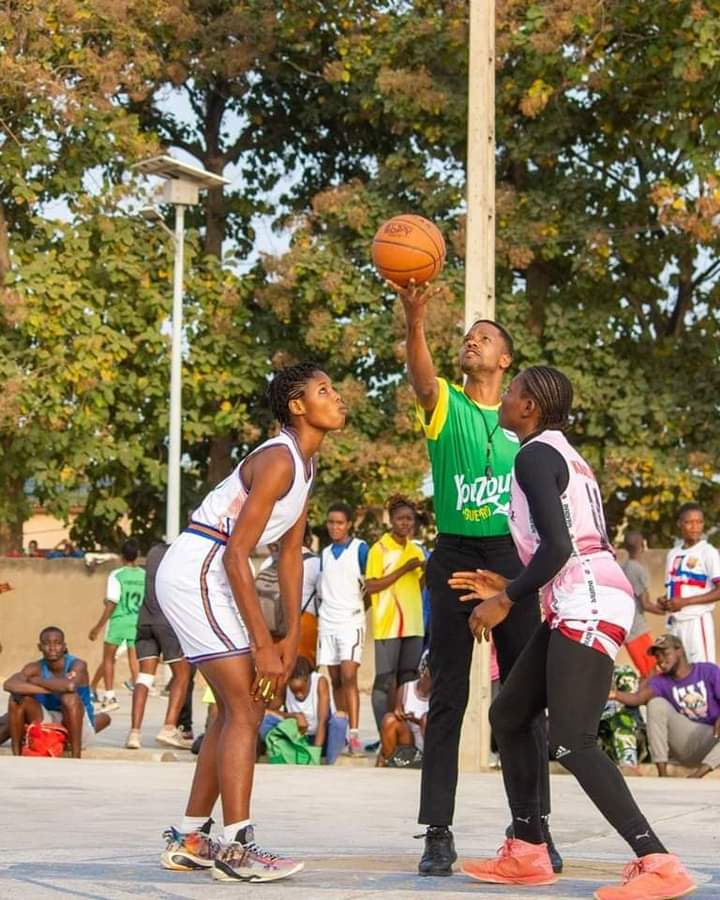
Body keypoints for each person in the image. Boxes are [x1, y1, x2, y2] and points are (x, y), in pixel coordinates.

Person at [449, 366, 695, 899]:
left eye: (512, 392)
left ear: (530, 407)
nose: (504, 398)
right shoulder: (563, 454)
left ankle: (658, 861)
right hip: (580, 595)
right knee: (509, 714)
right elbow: (566, 545)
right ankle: (528, 850)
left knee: (572, 739)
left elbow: (560, 548)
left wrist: (505, 599)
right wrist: (512, 584)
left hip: (587, 599)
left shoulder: (534, 455)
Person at [156, 362, 346, 883]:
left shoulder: (305, 465)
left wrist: (289, 636)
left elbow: (290, 555)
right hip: (199, 569)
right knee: (245, 705)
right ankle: (236, 849)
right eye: (324, 390)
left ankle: (192, 838)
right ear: (297, 406)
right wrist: (262, 645)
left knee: (236, 707)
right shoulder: (279, 459)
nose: (337, 397)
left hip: (212, 571)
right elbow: (236, 553)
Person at [394, 280, 557, 876]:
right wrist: (415, 319)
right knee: (448, 698)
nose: (472, 340)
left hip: (511, 559)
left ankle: (533, 830)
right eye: (468, 336)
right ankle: (437, 831)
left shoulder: (523, 423)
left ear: (505, 359)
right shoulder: (447, 405)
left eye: (484, 338)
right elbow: (421, 377)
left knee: (523, 701)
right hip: (455, 554)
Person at [612, 633, 720, 780]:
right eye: (657, 656)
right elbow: (637, 698)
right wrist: (613, 694)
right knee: (656, 704)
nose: (661, 659)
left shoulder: (707, 671)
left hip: (713, 739)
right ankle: (662, 774)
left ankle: (697, 775)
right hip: (684, 741)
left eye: (665, 653)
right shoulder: (661, 681)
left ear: (679, 650)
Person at [365, 495, 425, 736]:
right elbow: (371, 586)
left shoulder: (416, 550)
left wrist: (425, 572)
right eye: (400, 518)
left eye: (409, 519)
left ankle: (405, 736)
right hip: (388, 625)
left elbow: (418, 586)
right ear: (391, 520)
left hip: (414, 624)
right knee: (385, 681)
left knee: (408, 680)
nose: (405, 523)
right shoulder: (378, 549)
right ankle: (385, 736)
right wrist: (404, 569)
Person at [4, 626, 110, 758]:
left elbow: (70, 686)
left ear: (64, 647)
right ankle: (17, 754)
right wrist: (53, 688)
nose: (52, 648)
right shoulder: (34, 667)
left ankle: (75, 755)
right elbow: (10, 684)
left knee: (69, 697)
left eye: (57, 643)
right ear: (40, 647)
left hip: (76, 726)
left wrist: (37, 681)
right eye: (47, 644)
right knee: (16, 698)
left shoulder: (77, 665)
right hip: (49, 723)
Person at [126, 542, 193, 750]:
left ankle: (134, 733)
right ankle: (169, 727)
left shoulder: (153, 554)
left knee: (144, 678)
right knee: (183, 674)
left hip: (145, 620)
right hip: (167, 622)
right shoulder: (177, 561)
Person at [316, 501, 368, 755]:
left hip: (351, 620)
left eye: (339, 523)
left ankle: (355, 734)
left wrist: (359, 610)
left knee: (349, 675)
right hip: (328, 622)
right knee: (335, 678)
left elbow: (370, 584)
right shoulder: (324, 554)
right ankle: (342, 729)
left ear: (349, 525)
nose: (334, 527)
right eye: (331, 522)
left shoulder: (360, 549)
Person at [88, 539, 145, 712]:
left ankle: (110, 696)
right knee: (135, 660)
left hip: (119, 620)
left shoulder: (117, 575)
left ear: (122, 556)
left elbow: (112, 602)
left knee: (108, 658)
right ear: (137, 556)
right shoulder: (144, 575)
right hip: (136, 621)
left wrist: (98, 627)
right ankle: (138, 697)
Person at [660, 503, 720, 663]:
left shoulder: (708, 552)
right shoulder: (673, 554)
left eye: (699, 522)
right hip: (675, 623)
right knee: (678, 670)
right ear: (680, 524)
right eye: (689, 522)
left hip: (696, 621)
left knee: (702, 670)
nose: (695, 527)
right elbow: (675, 587)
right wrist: (665, 600)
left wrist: (685, 602)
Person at [260, 656, 348, 765]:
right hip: (298, 740)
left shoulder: (320, 682)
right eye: (295, 691)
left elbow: (323, 721)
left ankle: (331, 761)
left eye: (301, 690)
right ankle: (285, 753)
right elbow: (267, 712)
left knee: (339, 720)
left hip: (323, 739)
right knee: (265, 721)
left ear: (307, 679)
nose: (299, 695)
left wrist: (315, 754)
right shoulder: (285, 685)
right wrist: (294, 716)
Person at [621, 531, 664, 677]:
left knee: (648, 672)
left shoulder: (626, 567)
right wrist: (668, 610)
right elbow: (645, 603)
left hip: (630, 627)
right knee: (651, 672)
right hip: (637, 629)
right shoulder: (636, 570)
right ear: (642, 544)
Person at [377, 652, 431, 767]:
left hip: (427, 744)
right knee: (390, 719)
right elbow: (397, 711)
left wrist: (417, 720)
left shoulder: (439, 694)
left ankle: (428, 762)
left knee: (426, 719)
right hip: (408, 741)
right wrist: (399, 713)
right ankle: (390, 759)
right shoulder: (406, 688)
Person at [298, 525, 321, 667]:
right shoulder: (316, 563)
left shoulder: (269, 561)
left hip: (273, 626)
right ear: (308, 539)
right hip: (305, 623)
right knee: (305, 671)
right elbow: (324, 597)